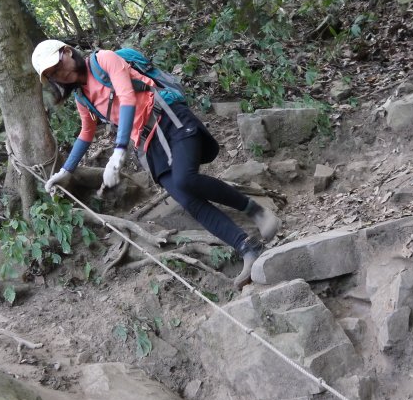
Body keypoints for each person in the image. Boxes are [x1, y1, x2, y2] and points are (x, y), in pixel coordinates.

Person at [32, 39, 280, 289]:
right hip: (147, 143)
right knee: (187, 199)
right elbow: (86, 133)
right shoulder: (82, 99)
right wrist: (65, 171)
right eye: (53, 75)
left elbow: (127, 97)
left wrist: (118, 153)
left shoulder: (103, 60)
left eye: (57, 65)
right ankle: (247, 247)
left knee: (186, 179)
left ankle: (256, 211)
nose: (60, 74)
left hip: (169, 117)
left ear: (66, 51)